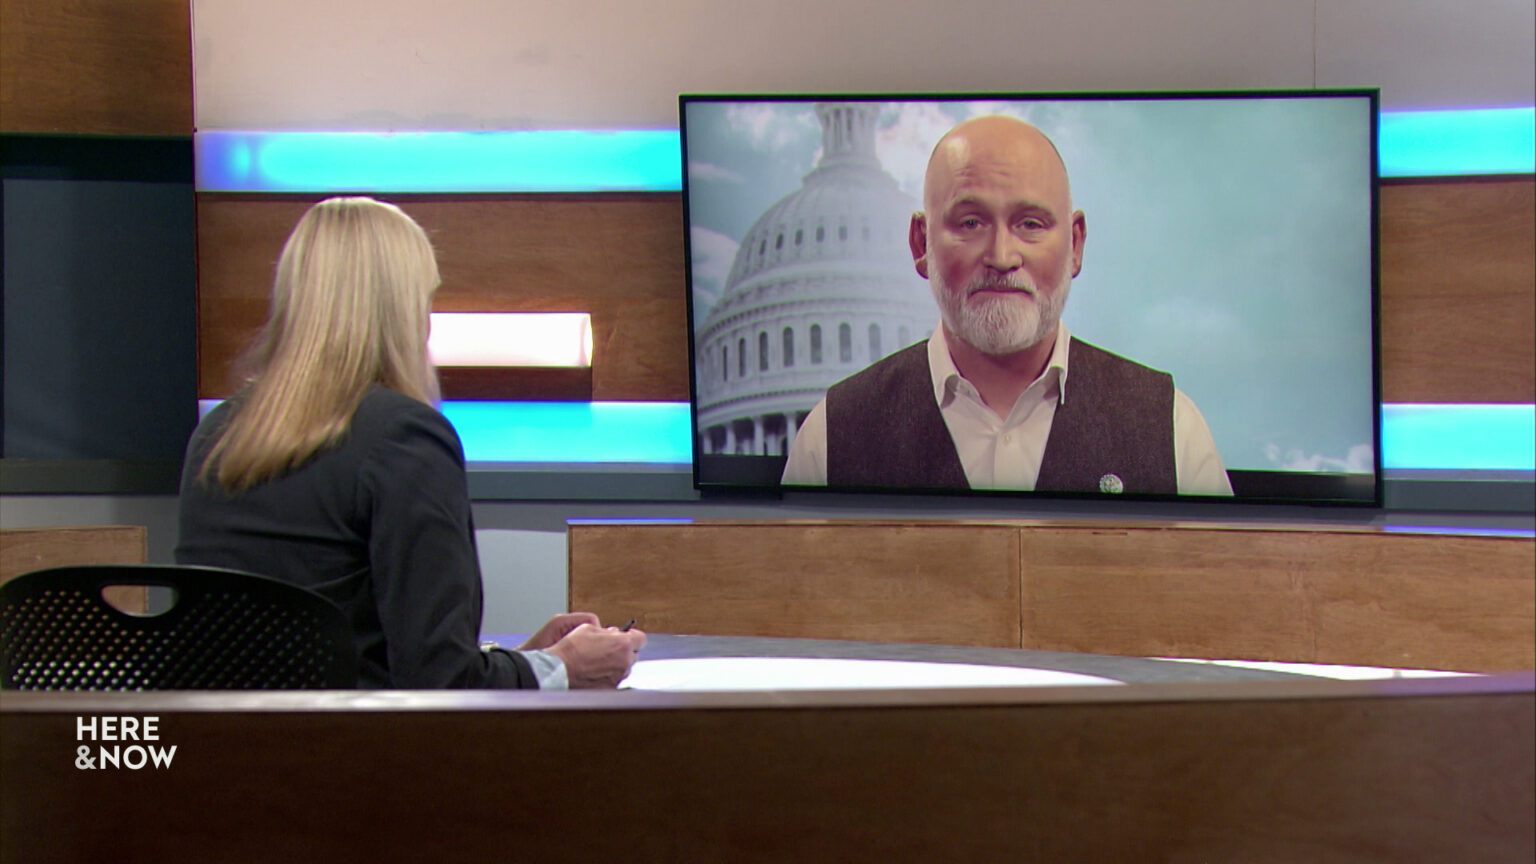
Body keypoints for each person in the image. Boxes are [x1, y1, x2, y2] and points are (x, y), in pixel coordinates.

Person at [175, 196, 645, 689]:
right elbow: (442, 685)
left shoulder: (216, 436)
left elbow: (348, 654)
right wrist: (565, 668)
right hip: (363, 758)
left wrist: (527, 659)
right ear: (404, 312)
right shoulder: (405, 437)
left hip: (230, 756)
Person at [782, 115, 1232, 496]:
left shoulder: (1171, 429)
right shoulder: (831, 437)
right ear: (921, 244)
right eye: (971, 222)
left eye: (1031, 224)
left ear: (1075, 244)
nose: (1001, 256)